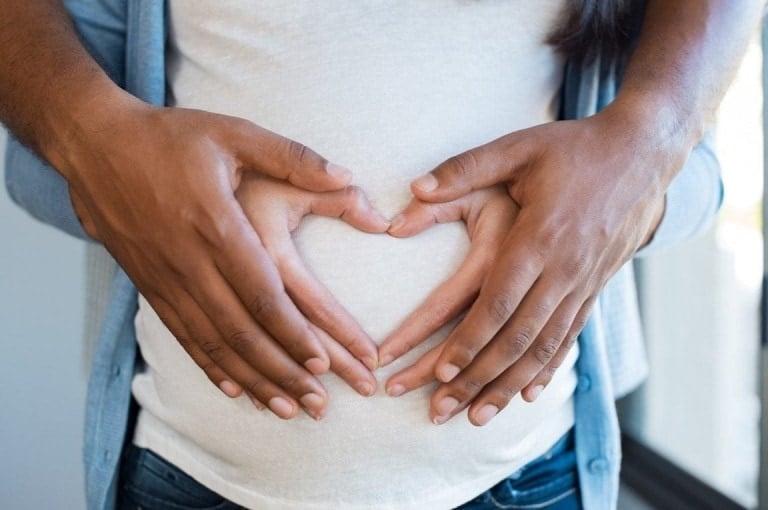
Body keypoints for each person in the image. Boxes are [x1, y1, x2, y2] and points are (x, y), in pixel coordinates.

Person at [0, 1, 761, 509]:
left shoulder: (680, 50)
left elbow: (695, 175)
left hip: (525, 478)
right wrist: (165, 199)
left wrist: (621, 201)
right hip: (193, 475)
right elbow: (42, 159)